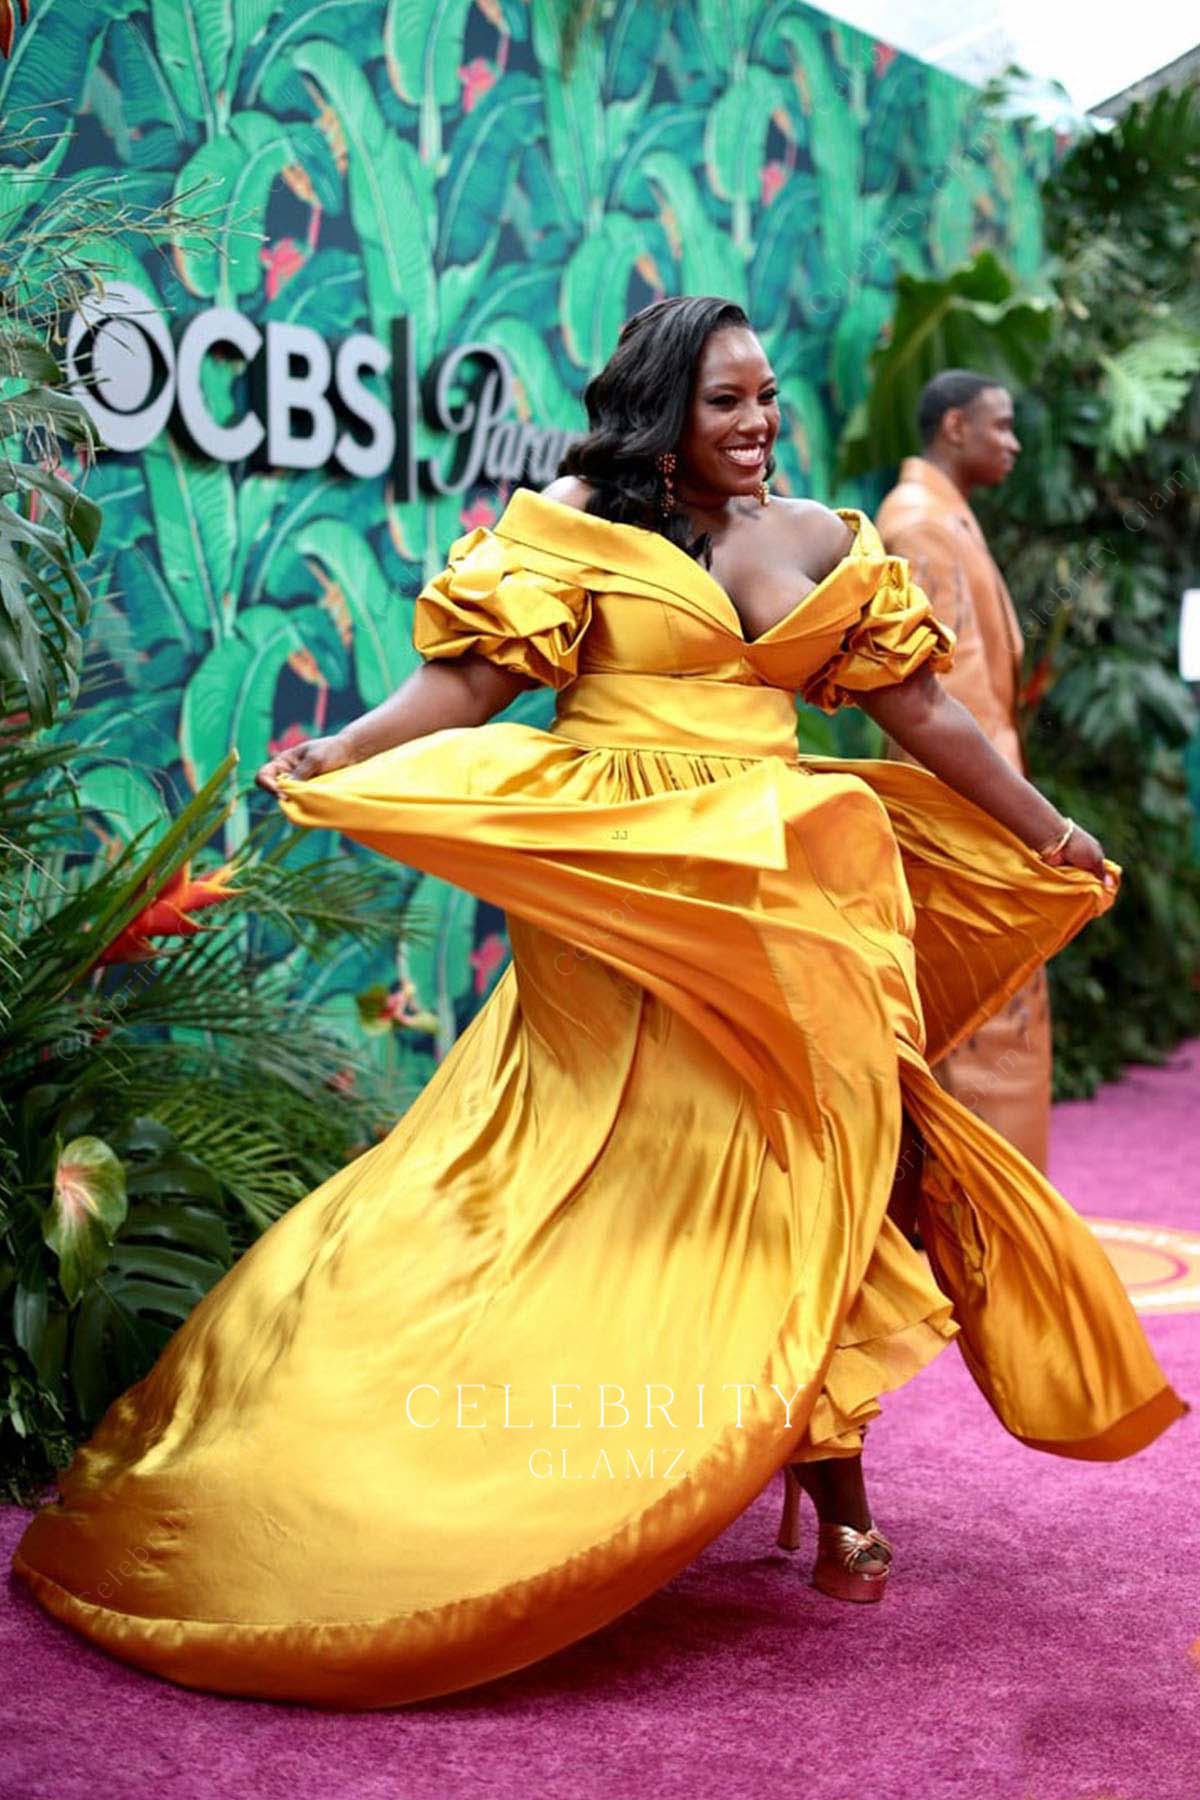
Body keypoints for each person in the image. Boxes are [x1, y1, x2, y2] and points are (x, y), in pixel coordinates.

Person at [13, 297, 1183, 1711]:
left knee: (818, 1169)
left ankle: (845, 1497)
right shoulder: (579, 535)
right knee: (585, 1181)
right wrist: (349, 745)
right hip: (619, 904)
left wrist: (1046, 826)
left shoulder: (819, 537)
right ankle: (426, 1471)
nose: (759, 425)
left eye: (764, 398)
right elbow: (471, 682)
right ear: (657, 416)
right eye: (724, 404)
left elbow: (923, 715)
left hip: (779, 900)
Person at [876, 371, 1052, 1169]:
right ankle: (984, 1247)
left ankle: (995, 1239)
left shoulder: (943, 519)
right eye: (1002, 425)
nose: (1012, 443)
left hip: (981, 812)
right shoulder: (920, 527)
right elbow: (936, 706)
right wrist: (1014, 831)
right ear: (954, 427)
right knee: (979, 1029)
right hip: (965, 823)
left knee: (992, 1029)